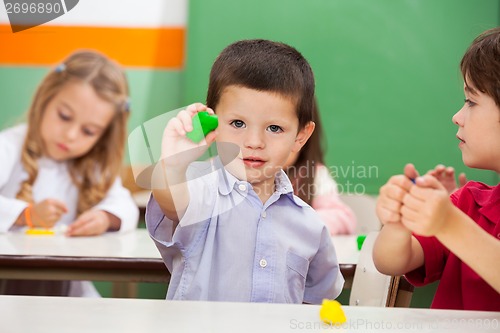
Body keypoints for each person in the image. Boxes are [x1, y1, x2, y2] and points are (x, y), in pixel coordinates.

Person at [146, 39, 344, 303]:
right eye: (237, 123)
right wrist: (172, 164)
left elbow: (318, 299)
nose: (254, 142)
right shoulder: (204, 193)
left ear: (301, 136)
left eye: (274, 128)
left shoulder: (309, 224)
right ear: (212, 121)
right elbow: (172, 202)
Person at [373, 27, 500, 311]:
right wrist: (397, 224)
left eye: (471, 101)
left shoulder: (454, 219)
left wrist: (449, 225)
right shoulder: (469, 204)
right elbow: (389, 262)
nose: (457, 117)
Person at [0, 50, 139, 296]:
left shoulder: (91, 167)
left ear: (103, 136)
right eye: (64, 116)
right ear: (46, 99)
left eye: (89, 131)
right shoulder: (9, 147)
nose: (71, 135)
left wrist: (105, 218)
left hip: (67, 289)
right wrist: (26, 215)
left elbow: (125, 206)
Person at [283, 100, 356, 235]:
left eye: (276, 129)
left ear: (304, 136)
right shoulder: (236, 176)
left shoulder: (315, 175)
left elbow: (343, 218)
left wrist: (302, 222)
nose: (258, 143)